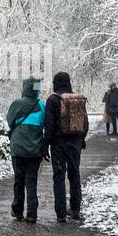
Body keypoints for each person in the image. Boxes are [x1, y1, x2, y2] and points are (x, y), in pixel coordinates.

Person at [43, 71, 87, 223]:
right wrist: (82, 139)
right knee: (75, 175)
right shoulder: (77, 99)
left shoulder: (52, 100)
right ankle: (75, 209)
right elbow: (84, 123)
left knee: (59, 177)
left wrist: (45, 145)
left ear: (56, 83)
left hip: (58, 145)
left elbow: (48, 125)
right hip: (75, 143)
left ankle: (61, 213)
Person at [6, 76, 45, 223]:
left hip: (18, 149)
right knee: (32, 181)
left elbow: (9, 122)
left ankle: (17, 211)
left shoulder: (17, 104)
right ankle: (32, 213)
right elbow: (45, 124)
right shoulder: (42, 105)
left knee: (19, 179)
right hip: (35, 150)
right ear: (37, 89)